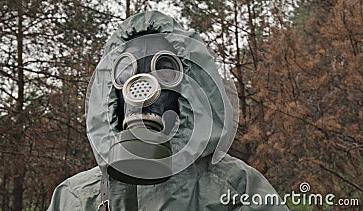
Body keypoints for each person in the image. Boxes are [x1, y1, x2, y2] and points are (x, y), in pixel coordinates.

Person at [48, 11, 289, 211]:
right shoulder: (74, 199)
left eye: (165, 70)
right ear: (110, 93)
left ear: (193, 90)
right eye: (126, 71)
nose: (142, 85)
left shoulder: (239, 189)